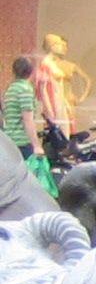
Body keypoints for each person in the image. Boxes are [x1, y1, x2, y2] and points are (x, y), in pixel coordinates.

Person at [4, 58, 50, 195]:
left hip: (11, 139)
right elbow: (28, 120)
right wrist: (36, 145)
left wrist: (40, 89)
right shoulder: (25, 89)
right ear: (31, 72)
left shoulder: (11, 88)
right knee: (29, 184)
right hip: (22, 142)